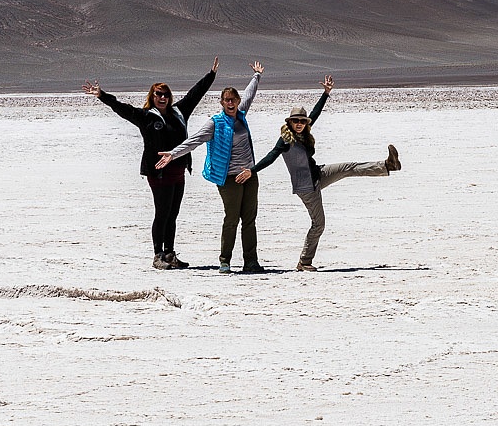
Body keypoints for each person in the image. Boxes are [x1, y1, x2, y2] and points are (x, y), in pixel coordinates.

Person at [250, 75, 401, 271]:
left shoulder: (304, 133)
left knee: (349, 168)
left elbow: (315, 113)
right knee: (318, 224)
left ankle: (388, 165)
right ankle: (304, 261)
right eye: (295, 121)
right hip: (306, 187)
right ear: (290, 122)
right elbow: (270, 157)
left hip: (318, 174)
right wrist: (252, 171)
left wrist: (326, 93)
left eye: (302, 121)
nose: (299, 124)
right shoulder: (285, 140)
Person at [83, 58, 219, 270]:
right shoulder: (145, 116)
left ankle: (170, 254)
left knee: (173, 214)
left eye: (165, 95)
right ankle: (158, 256)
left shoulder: (179, 113)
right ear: (152, 97)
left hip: (178, 170)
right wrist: (102, 96)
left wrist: (211, 75)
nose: (162, 98)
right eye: (158, 94)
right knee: (162, 212)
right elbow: (121, 108)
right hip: (158, 173)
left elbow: (195, 94)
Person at [157, 62, 264, 275]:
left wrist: (256, 76)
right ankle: (225, 261)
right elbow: (194, 140)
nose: (231, 103)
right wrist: (173, 154)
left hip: (249, 174)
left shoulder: (241, 115)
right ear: (222, 102)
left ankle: (251, 262)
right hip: (229, 178)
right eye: (227, 100)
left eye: (234, 99)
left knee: (249, 220)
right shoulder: (215, 123)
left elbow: (249, 95)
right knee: (232, 219)